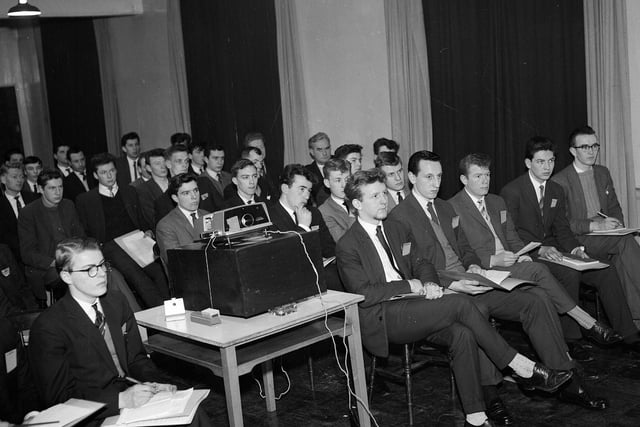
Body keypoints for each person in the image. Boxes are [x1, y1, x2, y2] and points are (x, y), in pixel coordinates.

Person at [337, 169, 572, 427]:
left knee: (463, 334)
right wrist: (411, 285)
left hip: (417, 307)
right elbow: (364, 293)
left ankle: (475, 417)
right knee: (462, 303)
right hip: (385, 315)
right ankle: (521, 366)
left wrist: (427, 282)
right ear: (357, 204)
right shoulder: (348, 244)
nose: (383, 200)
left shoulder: (394, 228)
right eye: (374, 196)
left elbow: (422, 262)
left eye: (384, 193)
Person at [388, 151, 608, 416]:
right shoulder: (399, 216)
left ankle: (566, 378)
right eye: (428, 177)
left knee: (535, 300)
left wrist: (472, 264)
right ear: (411, 177)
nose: (435, 183)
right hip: (443, 290)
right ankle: (490, 392)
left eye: (439, 176)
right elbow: (411, 267)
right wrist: (453, 282)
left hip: (471, 279)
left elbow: (465, 248)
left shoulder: (446, 208)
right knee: (476, 313)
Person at [29, 237, 212, 426]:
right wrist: (120, 400)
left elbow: (136, 359)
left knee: (194, 413)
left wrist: (155, 383)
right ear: (67, 276)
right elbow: (59, 397)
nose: (101, 274)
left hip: (131, 394)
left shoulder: (116, 302)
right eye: (90, 269)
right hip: (92, 414)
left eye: (102, 265)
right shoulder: (48, 326)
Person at [448, 153, 621, 349]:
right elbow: (460, 251)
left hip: (511, 264)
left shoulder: (497, 202)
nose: (485, 180)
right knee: (539, 270)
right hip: (484, 270)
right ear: (464, 179)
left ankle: (562, 352)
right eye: (478, 176)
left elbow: (512, 237)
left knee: (543, 296)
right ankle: (586, 321)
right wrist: (491, 260)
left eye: (487, 175)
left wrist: (521, 255)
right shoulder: (452, 208)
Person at [501, 137, 640, 354]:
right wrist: (538, 249)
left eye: (551, 161)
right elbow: (510, 234)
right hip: (530, 253)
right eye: (540, 162)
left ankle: (628, 334)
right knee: (569, 274)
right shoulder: (513, 191)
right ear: (528, 163)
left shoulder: (555, 189)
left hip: (557, 249)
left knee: (605, 269)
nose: (547, 167)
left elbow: (562, 229)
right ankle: (571, 339)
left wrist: (577, 250)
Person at [551, 125, 640, 325]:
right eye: (585, 147)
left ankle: (635, 320)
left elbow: (615, 207)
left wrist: (617, 224)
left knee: (621, 259)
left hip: (608, 237)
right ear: (573, 151)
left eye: (594, 146)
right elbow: (563, 225)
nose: (591, 151)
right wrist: (594, 226)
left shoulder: (602, 172)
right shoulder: (560, 181)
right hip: (581, 239)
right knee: (625, 243)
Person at [75, 153, 169, 309]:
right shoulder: (86, 200)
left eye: (112, 171)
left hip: (136, 239)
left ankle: (171, 307)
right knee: (136, 275)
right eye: (104, 173)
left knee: (159, 270)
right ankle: (160, 312)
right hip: (110, 245)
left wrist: (147, 231)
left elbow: (141, 219)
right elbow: (84, 231)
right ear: (95, 175)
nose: (109, 175)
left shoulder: (129, 191)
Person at [269, 164, 342, 290]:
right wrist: (303, 227)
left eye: (308, 190)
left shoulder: (313, 213)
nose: (307, 196)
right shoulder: (270, 218)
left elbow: (329, 248)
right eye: (301, 189)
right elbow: (283, 257)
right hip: (290, 280)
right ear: (285, 188)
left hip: (320, 274)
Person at [18, 169, 85, 304]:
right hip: (47, 267)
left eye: (60, 187)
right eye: (52, 188)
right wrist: (56, 262)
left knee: (105, 272)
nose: (57, 192)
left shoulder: (68, 205)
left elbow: (80, 236)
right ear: (41, 190)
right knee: (76, 281)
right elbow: (27, 253)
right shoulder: (29, 213)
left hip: (72, 260)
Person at [156, 174, 210, 265]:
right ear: (175, 198)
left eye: (195, 190)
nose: (194, 196)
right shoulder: (166, 225)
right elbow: (175, 262)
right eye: (186, 193)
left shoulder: (207, 215)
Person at [0, 163, 38, 263]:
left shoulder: (34, 198)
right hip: (14, 257)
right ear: (3, 179)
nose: (19, 180)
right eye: (14, 177)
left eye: (21, 176)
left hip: (39, 252)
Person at [318, 158, 354, 242]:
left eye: (347, 179)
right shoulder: (324, 211)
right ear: (327, 183)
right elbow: (344, 242)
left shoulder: (360, 198)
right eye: (338, 180)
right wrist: (352, 211)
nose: (344, 185)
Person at [154, 144, 191, 225]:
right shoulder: (162, 201)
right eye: (179, 161)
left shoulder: (200, 186)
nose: (184, 165)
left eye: (186, 161)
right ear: (168, 164)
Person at [136, 149, 169, 229]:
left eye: (164, 162)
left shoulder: (175, 182)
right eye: (157, 164)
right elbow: (152, 218)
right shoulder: (143, 189)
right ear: (149, 168)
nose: (163, 166)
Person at [244, 131, 278, 196]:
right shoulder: (246, 173)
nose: (260, 151)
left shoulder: (275, 166)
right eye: (256, 148)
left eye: (262, 147)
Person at [305, 132, 332, 206]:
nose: (324, 153)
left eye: (327, 148)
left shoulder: (340, 164)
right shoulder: (307, 172)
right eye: (320, 150)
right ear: (312, 152)